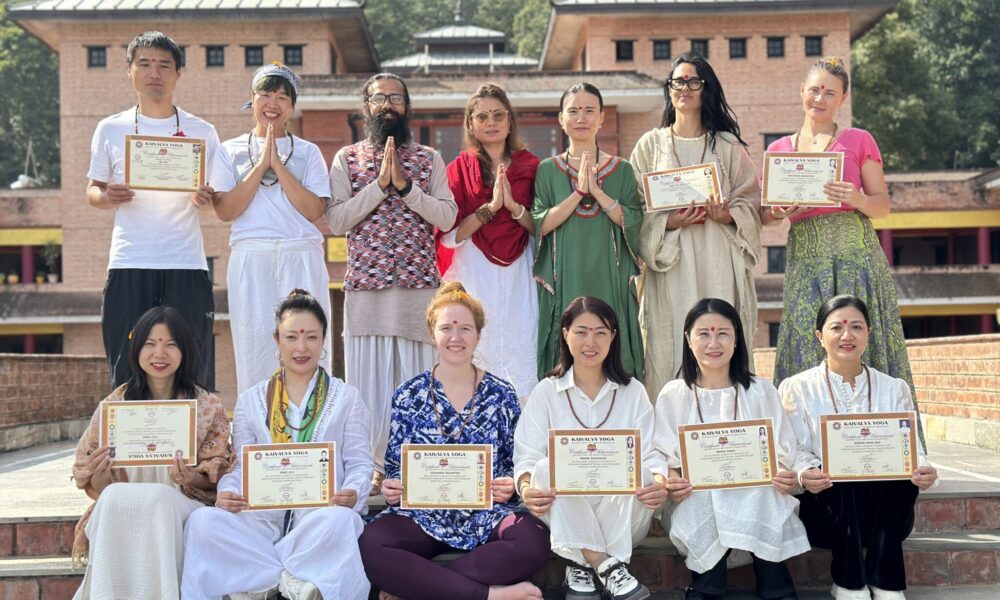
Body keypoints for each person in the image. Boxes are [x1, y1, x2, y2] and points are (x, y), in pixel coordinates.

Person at [763, 57, 923, 443]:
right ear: (802, 91)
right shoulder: (779, 149)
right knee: (807, 337)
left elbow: (882, 205)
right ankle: (801, 447)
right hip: (806, 255)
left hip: (855, 253)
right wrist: (780, 211)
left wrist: (856, 198)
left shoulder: (858, 140)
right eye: (814, 89)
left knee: (862, 335)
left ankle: (881, 443)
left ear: (842, 98)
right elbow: (766, 216)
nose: (820, 98)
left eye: (829, 92)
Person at [359, 282, 549, 600]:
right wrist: (393, 486)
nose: (455, 337)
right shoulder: (409, 394)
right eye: (446, 328)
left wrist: (509, 484)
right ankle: (490, 595)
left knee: (533, 540)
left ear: (478, 334)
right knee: (371, 543)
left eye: (465, 328)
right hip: (422, 514)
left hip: (485, 512)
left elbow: (515, 462)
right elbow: (395, 465)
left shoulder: (502, 394)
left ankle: (415, 589)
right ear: (432, 333)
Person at [182, 290, 372, 600]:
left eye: (311, 337)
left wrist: (353, 492)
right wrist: (229, 490)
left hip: (319, 516)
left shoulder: (346, 398)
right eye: (291, 337)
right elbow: (241, 464)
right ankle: (294, 577)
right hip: (262, 518)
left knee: (342, 522)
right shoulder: (251, 400)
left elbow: (360, 463)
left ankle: (257, 578)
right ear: (276, 340)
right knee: (203, 522)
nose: (301, 347)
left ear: (324, 339)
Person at [326, 73, 458, 484]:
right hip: (367, 288)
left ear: (407, 106)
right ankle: (373, 469)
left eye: (395, 98)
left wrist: (406, 187)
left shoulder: (429, 158)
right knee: (369, 386)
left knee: (420, 382)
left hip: (419, 287)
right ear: (366, 106)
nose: (387, 105)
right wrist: (380, 187)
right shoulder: (347, 159)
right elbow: (335, 220)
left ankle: (418, 467)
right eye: (378, 98)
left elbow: (447, 215)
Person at [779, 295, 938, 600]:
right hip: (828, 510)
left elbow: (912, 450)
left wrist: (924, 471)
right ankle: (849, 582)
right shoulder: (796, 388)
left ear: (869, 333)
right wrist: (804, 474)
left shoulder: (894, 388)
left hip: (885, 513)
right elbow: (792, 449)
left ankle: (886, 582)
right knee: (839, 474)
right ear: (820, 337)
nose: (847, 335)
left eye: (856, 327)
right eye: (836, 327)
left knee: (900, 475)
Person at [86, 31, 221, 388]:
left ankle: (195, 441)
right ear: (130, 71)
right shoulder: (110, 128)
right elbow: (92, 192)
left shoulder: (202, 131)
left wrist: (206, 199)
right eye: (144, 64)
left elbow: (217, 198)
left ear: (179, 73)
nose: (154, 73)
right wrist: (107, 196)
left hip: (186, 261)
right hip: (130, 259)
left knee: (192, 361)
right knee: (125, 362)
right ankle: (126, 442)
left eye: (164, 65)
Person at [71, 306, 232, 600]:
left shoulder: (207, 406)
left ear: (185, 351)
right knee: (115, 497)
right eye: (150, 344)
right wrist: (101, 477)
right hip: (127, 507)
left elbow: (219, 481)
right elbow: (93, 483)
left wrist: (192, 478)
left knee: (158, 499)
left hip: (182, 507)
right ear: (136, 349)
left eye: (171, 344)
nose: (160, 354)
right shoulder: (115, 405)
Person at [514, 296, 668, 600]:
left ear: (613, 336)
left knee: (640, 470)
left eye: (600, 332)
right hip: (561, 510)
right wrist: (527, 486)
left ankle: (580, 563)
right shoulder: (546, 392)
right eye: (581, 331)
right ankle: (604, 565)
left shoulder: (633, 392)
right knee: (545, 469)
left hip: (624, 516)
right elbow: (527, 456)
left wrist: (660, 483)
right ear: (565, 334)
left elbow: (651, 455)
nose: (590, 341)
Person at [654, 298, 807, 600]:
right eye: (704, 334)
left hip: (755, 489)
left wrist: (785, 474)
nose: (714, 343)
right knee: (704, 495)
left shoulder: (761, 390)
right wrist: (672, 479)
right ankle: (708, 582)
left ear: (737, 338)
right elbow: (660, 453)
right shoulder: (674, 394)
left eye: (723, 333)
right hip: (696, 493)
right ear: (688, 339)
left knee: (765, 490)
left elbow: (784, 450)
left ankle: (773, 580)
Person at [631, 53, 761, 399]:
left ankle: (728, 426)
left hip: (717, 255)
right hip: (670, 261)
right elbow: (634, 209)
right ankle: (670, 434)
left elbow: (750, 200)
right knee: (670, 339)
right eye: (677, 82)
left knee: (718, 334)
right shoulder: (649, 145)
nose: (684, 88)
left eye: (693, 82)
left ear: (706, 89)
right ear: (669, 90)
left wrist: (727, 214)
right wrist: (669, 220)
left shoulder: (728, 146)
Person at [210, 62, 332, 394]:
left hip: (300, 252)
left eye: (281, 97)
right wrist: (260, 165)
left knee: (308, 342)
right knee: (255, 344)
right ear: (252, 101)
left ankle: (314, 432)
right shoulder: (228, 150)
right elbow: (226, 209)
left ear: (292, 106)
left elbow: (314, 210)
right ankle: (258, 438)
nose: (272, 104)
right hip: (253, 255)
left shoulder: (308, 152)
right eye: (265, 94)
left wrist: (278, 165)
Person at [532, 83, 644, 381]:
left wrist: (598, 192)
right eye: (573, 111)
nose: (581, 118)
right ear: (561, 119)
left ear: (601, 118)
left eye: (589, 111)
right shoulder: (547, 170)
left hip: (611, 275)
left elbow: (633, 221)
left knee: (613, 350)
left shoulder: (621, 170)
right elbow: (540, 224)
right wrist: (579, 192)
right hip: (565, 275)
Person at [437, 83, 541, 400]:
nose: (491, 122)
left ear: (510, 121)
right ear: (471, 124)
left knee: (521, 338)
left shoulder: (533, 167)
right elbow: (450, 234)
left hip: (519, 269)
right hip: (474, 268)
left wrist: (513, 208)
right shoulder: (458, 170)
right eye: (482, 116)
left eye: (498, 115)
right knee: (478, 339)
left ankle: (522, 436)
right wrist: (490, 209)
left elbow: (542, 226)